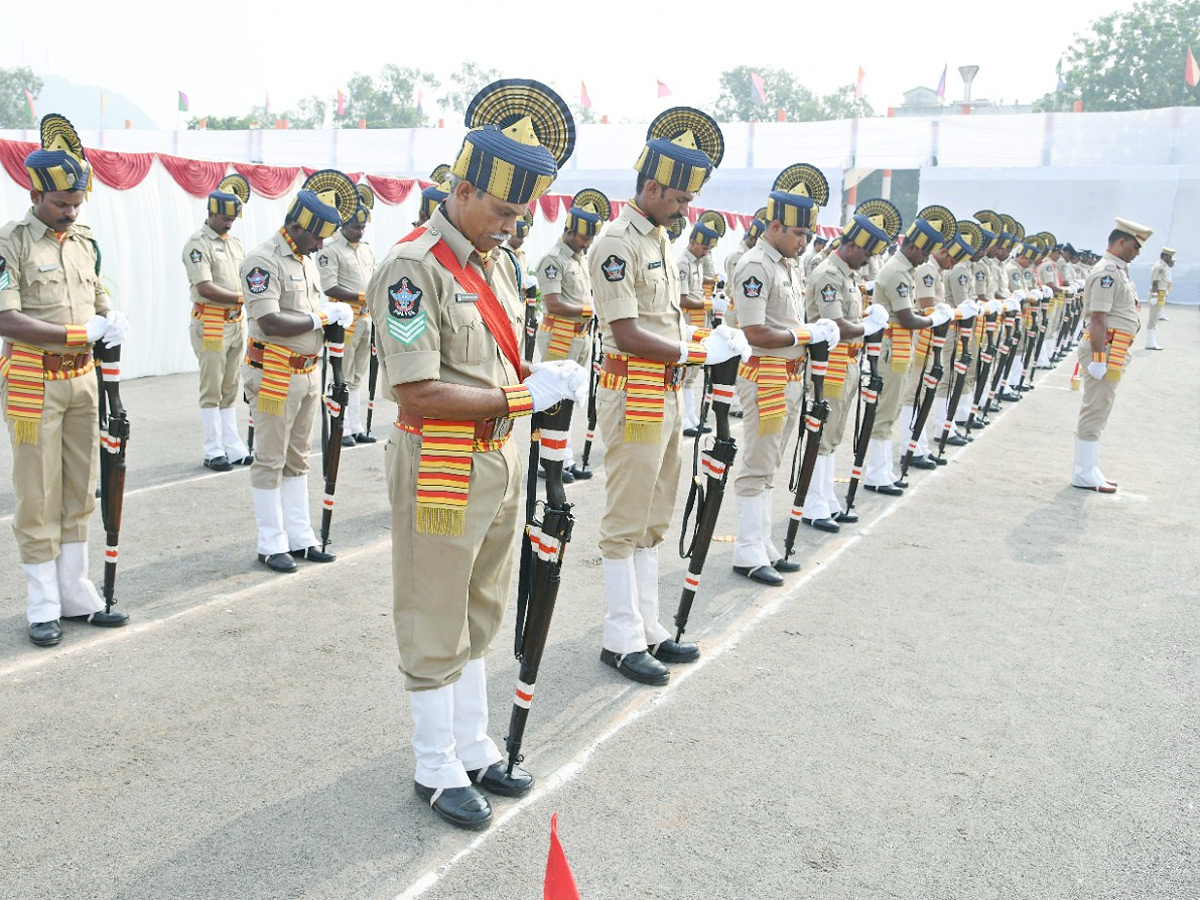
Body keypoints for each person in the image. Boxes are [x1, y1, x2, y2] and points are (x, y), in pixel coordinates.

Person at [366, 79, 585, 831]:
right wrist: (525, 399)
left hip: (497, 459)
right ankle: (434, 762)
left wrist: (533, 382)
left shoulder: (499, 263)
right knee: (435, 610)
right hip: (441, 460)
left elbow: (496, 367)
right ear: (461, 190)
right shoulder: (412, 268)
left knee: (483, 605)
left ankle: (471, 741)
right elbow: (419, 392)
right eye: (501, 210)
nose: (511, 226)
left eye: (521, 214)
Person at [590, 106, 748, 687]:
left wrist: (695, 345)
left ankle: (647, 626)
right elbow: (628, 333)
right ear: (651, 188)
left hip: (665, 393)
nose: (687, 210)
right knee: (626, 514)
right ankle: (618, 635)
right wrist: (695, 353)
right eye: (680, 199)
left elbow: (665, 322)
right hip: (633, 392)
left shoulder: (656, 238)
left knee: (655, 515)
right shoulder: (615, 242)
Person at [0, 114, 131, 646]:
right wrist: (82, 333)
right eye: (61, 204)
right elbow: (5, 319)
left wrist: (112, 318)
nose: (71, 211)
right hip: (34, 380)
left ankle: (75, 593)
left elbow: (98, 297)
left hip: (82, 383)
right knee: (38, 493)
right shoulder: (11, 243)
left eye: (77, 203)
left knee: (80, 488)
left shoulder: (82, 240)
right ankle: (42, 604)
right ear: (35, 195)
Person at [242, 169, 357, 573]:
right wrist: (319, 318)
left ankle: (300, 535)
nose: (322, 244)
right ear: (296, 226)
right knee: (270, 458)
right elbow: (271, 321)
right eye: (318, 235)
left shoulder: (305, 260)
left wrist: (322, 318)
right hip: (274, 369)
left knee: (298, 458)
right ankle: (270, 541)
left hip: (308, 373)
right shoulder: (262, 260)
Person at [730, 163, 837, 584]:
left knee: (772, 459)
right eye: (799, 234)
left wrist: (802, 339)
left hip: (789, 373)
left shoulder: (788, 264)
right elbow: (754, 330)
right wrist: (807, 334)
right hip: (767, 374)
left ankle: (762, 541)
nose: (805, 241)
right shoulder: (756, 264)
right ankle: (746, 549)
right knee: (758, 461)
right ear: (775, 226)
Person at [800, 204, 894, 528]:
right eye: (866, 252)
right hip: (830, 364)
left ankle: (824, 499)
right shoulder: (828, 273)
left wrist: (861, 325)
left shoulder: (848, 275)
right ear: (851, 245)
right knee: (822, 434)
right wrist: (866, 326)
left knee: (835, 434)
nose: (869, 260)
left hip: (848, 362)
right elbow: (836, 323)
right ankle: (813, 504)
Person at [862, 210, 952, 494]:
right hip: (892, 349)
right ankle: (876, 475)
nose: (926, 259)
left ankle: (883, 471)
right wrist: (933, 319)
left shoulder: (905, 270)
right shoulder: (897, 272)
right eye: (924, 252)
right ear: (912, 246)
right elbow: (908, 318)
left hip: (899, 348)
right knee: (886, 412)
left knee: (892, 410)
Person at [1071, 218, 1151, 493]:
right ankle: (1083, 472)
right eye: (1134, 246)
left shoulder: (1119, 271)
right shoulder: (1108, 272)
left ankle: (1090, 468)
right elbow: (1098, 318)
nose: (1137, 252)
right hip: (1104, 349)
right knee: (1095, 408)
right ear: (1120, 242)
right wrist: (1097, 359)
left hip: (1113, 349)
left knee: (1101, 408)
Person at [534, 188, 610, 480]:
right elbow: (554, 303)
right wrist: (590, 311)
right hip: (560, 336)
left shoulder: (578, 258)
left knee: (571, 398)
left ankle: (563, 458)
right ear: (570, 231)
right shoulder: (553, 260)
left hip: (580, 337)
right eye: (585, 237)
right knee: (555, 398)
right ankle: (548, 462)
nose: (588, 243)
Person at [183, 174, 252, 471]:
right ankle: (213, 450)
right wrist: (242, 299)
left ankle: (233, 446)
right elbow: (204, 288)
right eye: (224, 219)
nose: (228, 224)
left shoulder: (234, 243)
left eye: (232, 219)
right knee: (211, 387)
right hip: (211, 322)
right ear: (211, 214)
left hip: (236, 324)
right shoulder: (198, 245)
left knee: (230, 386)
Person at [318, 183, 378, 445]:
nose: (360, 232)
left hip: (366, 318)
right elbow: (329, 286)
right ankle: (340, 428)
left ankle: (354, 426)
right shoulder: (330, 250)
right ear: (343, 224)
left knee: (357, 375)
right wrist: (364, 297)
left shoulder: (365, 249)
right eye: (355, 227)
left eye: (363, 228)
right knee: (341, 375)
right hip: (345, 320)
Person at [677, 218, 723, 436]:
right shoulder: (683, 264)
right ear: (693, 241)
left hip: (698, 322)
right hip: (686, 323)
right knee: (684, 373)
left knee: (692, 374)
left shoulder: (696, 262)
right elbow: (682, 299)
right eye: (704, 247)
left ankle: (691, 416)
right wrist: (710, 303)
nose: (706, 253)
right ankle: (683, 419)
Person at [1145, 246, 1173, 350]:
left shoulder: (1163, 266)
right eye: (1169, 257)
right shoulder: (1160, 266)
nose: (1170, 259)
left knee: (1155, 317)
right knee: (1153, 318)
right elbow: (1155, 282)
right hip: (1157, 293)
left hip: (1160, 293)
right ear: (1164, 256)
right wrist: (1155, 296)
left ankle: (1152, 340)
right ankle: (1150, 342)